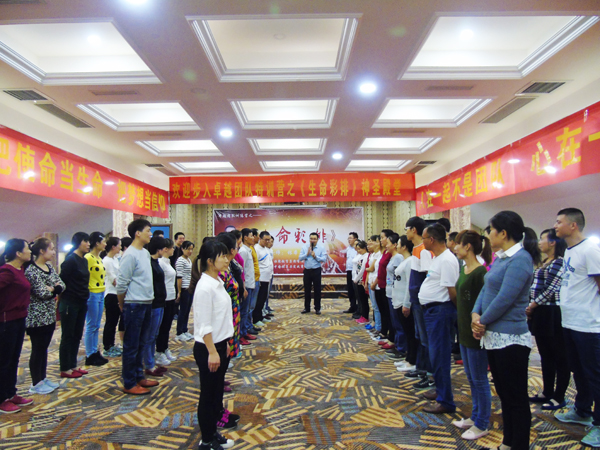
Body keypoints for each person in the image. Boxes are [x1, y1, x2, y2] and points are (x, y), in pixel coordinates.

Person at [472, 211, 540, 450]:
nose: (488, 235)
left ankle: (518, 444)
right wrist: (475, 314)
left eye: (490, 230)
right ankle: (508, 442)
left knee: (516, 396)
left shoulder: (521, 259)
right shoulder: (501, 258)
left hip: (511, 339)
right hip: (494, 335)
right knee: (504, 393)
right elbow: (486, 289)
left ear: (503, 233)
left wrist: (482, 321)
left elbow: (505, 298)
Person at [553, 208, 600, 448]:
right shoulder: (569, 251)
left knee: (595, 376)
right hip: (570, 322)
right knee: (579, 372)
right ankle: (582, 411)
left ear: (573, 225)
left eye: (559, 222)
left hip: (589, 325)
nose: (555, 225)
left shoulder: (591, 248)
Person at [193, 239, 236, 450]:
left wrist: (224, 342)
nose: (227, 260)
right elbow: (204, 325)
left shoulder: (216, 281)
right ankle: (206, 440)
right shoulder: (204, 288)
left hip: (219, 345)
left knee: (216, 392)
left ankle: (212, 433)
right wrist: (212, 351)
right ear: (210, 261)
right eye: (222, 256)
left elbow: (221, 317)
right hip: (208, 348)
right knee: (208, 395)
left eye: (227, 255)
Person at [452, 230, 492, 440]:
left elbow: (485, 303)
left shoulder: (480, 273)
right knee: (471, 377)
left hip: (476, 333)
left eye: (458, 244)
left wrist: (480, 325)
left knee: (479, 379)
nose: (455, 247)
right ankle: (475, 416)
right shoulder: (464, 268)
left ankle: (482, 423)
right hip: (464, 330)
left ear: (467, 247)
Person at [419, 223, 459, 414]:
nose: (423, 242)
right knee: (435, 354)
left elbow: (453, 292)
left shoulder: (447, 260)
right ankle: (440, 390)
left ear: (432, 239)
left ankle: (446, 401)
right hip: (432, 311)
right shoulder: (438, 258)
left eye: (424, 238)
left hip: (441, 312)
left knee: (440, 355)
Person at [527, 228, 569, 411]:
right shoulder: (545, 262)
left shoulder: (559, 262)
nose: (539, 242)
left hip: (552, 312)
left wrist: (532, 305)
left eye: (542, 239)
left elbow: (551, 289)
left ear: (553, 243)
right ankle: (547, 391)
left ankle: (559, 396)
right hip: (541, 311)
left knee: (559, 356)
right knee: (546, 355)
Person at [117, 219, 158, 395]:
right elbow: (121, 285)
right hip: (134, 305)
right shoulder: (130, 255)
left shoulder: (145, 253)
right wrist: (122, 304)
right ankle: (129, 383)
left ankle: (139, 376)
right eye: (148, 230)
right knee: (131, 346)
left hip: (147, 303)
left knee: (142, 343)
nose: (150, 234)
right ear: (137, 233)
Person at [24, 238, 65, 394]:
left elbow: (62, 284)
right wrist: (55, 289)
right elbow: (41, 293)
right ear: (42, 251)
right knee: (37, 349)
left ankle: (43, 378)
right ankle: (36, 383)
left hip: (49, 315)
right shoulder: (31, 270)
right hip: (36, 317)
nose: (54, 252)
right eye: (51, 249)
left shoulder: (49, 267)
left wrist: (53, 289)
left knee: (44, 349)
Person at [0, 239, 33, 414]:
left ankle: (11, 393)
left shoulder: (20, 270)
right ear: (18, 253)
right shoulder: (7, 271)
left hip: (19, 319)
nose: (30, 251)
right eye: (27, 249)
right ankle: (2, 399)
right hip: (7, 321)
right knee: (4, 361)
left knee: (14, 359)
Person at [405, 216, 434, 386]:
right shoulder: (417, 248)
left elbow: (427, 277)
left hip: (422, 301)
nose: (406, 233)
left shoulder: (424, 250)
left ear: (413, 230)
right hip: (416, 300)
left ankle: (429, 374)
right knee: (419, 336)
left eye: (407, 229)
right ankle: (421, 368)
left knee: (425, 338)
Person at [59, 232, 91, 379]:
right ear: (78, 242)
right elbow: (62, 282)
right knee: (68, 335)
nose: (88, 244)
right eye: (86, 241)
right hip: (70, 302)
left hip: (81, 301)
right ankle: (65, 368)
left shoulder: (83, 260)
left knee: (77, 335)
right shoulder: (70, 260)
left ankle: (73, 365)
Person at [142, 236, 168, 377]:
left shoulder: (156, 262)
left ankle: (151, 361)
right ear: (159, 249)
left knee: (154, 334)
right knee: (150, 335)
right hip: (153, 303)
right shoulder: (149, 263)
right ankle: (149, 365)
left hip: (160, 302)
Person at [216, 232, 243, 361]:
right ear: (232, 250)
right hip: (226, 312)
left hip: (233, 310)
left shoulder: (228, 266)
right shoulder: (219, 272)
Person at [84, 232, 108, 366]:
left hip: (100, 292)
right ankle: (90, 354)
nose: (105, 244)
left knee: (97, 325)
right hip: (92, 293)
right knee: (91, 325)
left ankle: (95, 351)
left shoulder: (99, 258)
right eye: (103, 242)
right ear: (97, 243)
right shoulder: (88, 258)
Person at [393, 235, 416, 373]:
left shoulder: (410, 261)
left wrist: (406, 303)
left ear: (404, 246)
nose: (396, 246)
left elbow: (409, 284)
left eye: (398, 244)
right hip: (398, 300)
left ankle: (412, 361)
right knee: (407, 332)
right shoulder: (404, 260)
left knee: (410, 333)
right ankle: (408, 358)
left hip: (404, 302)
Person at [385, 233, 406, 361]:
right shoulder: (393, 257)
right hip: (390, 292)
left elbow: (399, 277)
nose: (386, 245)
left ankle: (401, 348)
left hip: (396, 293)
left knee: (398, 323)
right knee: (394, 321)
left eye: (388, 243)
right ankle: (398, 345)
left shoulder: (398, 258)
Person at [156, 239, 178, 366]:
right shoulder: (160, 262)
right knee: (162, 326)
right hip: (164, 298)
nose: (173, 250)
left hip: (171, 297)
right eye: (171, 248)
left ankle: (165, 348)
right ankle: (159, 351)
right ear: (165, 249)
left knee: (167, 325)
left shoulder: (168, 262)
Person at [102, 237, 124, 358]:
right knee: (111, 322)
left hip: (118, 293)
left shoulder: (115, 259)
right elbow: (114, 280)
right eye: (119, 245)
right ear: (113, 247)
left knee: (115, 321)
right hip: (111, 294)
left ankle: (112, 344)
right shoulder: (107, 261)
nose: (120, 247)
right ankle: (107, 346)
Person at [299, 232, 327, 315]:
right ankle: (307, 308)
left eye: (314, 239)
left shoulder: (321, 248)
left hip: (316, 271)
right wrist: (306, 254)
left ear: (317, 239)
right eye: (311, 238)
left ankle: (317, 308)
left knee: (317, 290)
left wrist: (315, 257)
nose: (312, 240)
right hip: (307, 271)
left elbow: (324, 259)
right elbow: (300, 258)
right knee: (307, 290)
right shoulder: (305, 247)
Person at [376, 230, 395, 349]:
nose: (381, 240)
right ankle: (385, 333)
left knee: (389, 313)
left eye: (383, 237)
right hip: (382, 284)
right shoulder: (385, 252)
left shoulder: (392, 255)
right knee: (383, 310)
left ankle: (390, 336)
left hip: (387, 286)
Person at [239, 228, 257, 346]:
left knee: (247, 310)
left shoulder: (249, 250)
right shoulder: (243, 251)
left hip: (251, 283)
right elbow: (241, 270)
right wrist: (244, 287)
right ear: (245, 238)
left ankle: (245, 331)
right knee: (244, 311)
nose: (253, 238)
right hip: (246, 285)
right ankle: (241, 334)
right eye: (251, 236)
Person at [176, 241, 195, 342]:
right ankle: (179, 332)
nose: (190, 251)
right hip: (184, 288)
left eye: (191, 249)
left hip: (189, 288)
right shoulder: (180, 260)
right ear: (182, 249)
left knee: (187, 310)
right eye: (188, 249)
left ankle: (184, 329)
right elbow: (179, 277)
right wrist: (179, 291)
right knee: (182, 311)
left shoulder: (188, 260)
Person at [365, 235, 382, 338]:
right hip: (371, 281)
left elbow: (371, 268)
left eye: (373, 242)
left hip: (376, 282)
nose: (370, 244)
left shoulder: (379, 254)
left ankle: (378, 327)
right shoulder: (373, 254)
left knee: (377, 306)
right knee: (374, 306)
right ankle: (376, 324)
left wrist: (367, 269)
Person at [253, 231, 272, 325]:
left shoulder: (266, 249)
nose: (268, 242)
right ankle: (256, 319)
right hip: (260, 278)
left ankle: (260, 316)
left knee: (263, 299)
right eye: (266, 240)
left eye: (269, 240)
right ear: (260, 239)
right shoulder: (256, 249)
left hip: (267, 278)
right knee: (259, 300)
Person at [352, 240, 369, 323]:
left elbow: (362, 269)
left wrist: (357, 278)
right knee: (360, 299)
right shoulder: (361, 256)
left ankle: (365, 316)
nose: (358, 251)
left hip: (362, 280)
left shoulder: (366, 256)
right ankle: (362, 315)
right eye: (357, 249)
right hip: (358, 279)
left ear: (364, 248)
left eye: (360, 249)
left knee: (363, 299)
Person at [343, 232, 358, 315]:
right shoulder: (348, 248)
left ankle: (359, 308)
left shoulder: (358, 248)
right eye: (348, 238)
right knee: (350, 290)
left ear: (355, 239)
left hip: (356, 271)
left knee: (356, 290)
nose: (349, 240)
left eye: (350, 238)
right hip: (349, 270)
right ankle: (352, 306)